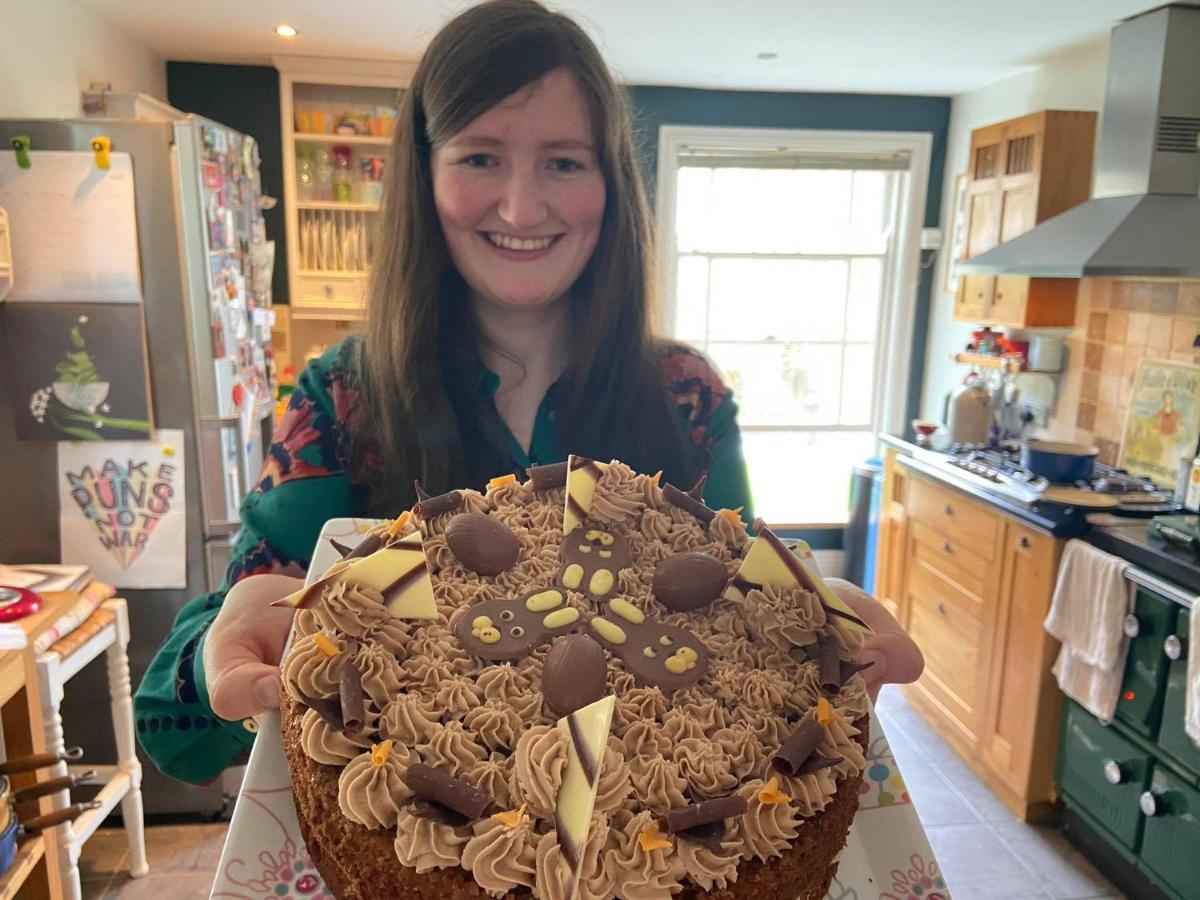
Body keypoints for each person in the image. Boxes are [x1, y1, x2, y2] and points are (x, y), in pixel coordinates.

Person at [134, 0, 922, 785]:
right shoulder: (343, 396)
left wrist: (816, 617)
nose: (520, 207)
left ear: (609, 182)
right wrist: (236, 632)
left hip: (645, 837)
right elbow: (216, 694)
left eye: (564, 161)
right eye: (479, 158)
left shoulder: (686, 397)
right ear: (426, 174)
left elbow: (736, 611)